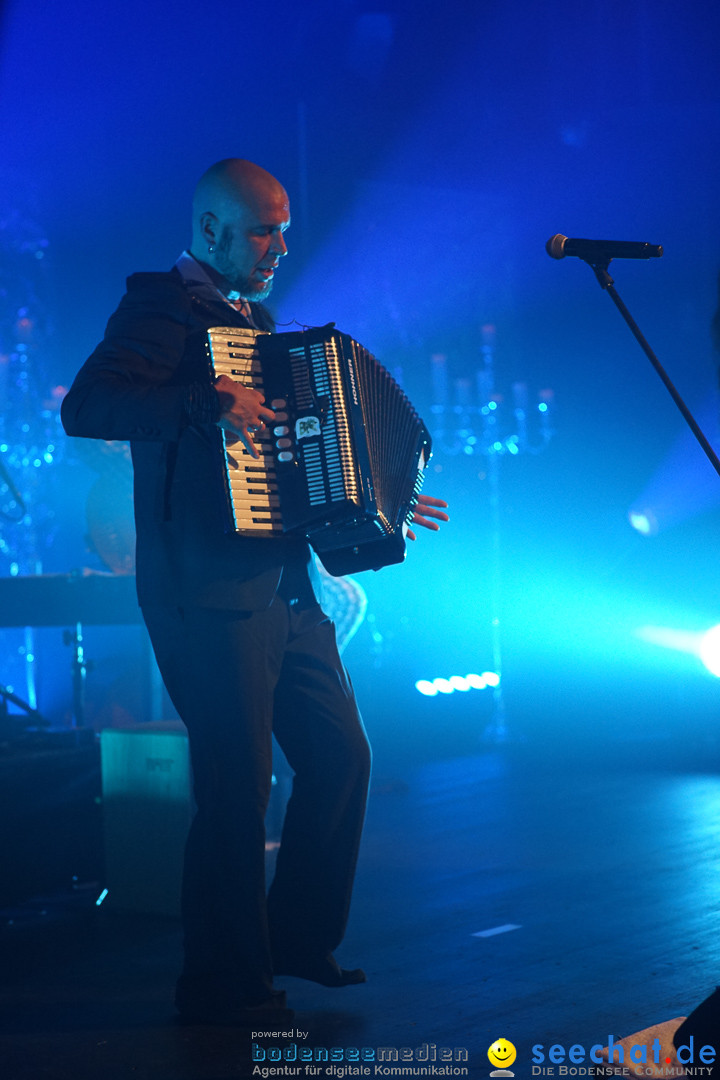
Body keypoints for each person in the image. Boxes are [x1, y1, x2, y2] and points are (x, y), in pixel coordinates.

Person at [60, 158, 448, 1026]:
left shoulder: (254, 322)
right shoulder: (159, 308)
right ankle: (222, 983)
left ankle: (294, 941)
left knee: (343, 758)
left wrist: (378, 494)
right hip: (203, 588)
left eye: (283, 228)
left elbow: (286, 464)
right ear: (210, 232)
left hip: (281, 586)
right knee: (237, 786)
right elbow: (87, 406)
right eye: (263, 230)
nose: (280, 247)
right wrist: (204, 401)